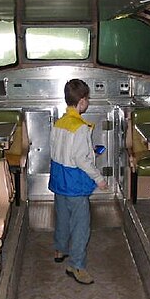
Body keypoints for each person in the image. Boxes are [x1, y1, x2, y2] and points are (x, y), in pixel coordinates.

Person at [48, 79, 108, 285]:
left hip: (58, 178)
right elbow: (80, 159)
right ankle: (77, 265)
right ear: (82, 101)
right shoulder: (81, 128)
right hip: (74, 181)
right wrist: (99, 179)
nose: (88, 102)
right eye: (88, 98)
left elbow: (60, 151)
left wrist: (85, 153)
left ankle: (59, 249)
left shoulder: (59, 123)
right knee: (81, 225)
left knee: (62, 216)